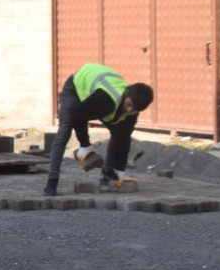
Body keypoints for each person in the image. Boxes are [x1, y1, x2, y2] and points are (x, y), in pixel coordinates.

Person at [43, 63, 154, 196]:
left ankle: (108, 173)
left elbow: (124, 137)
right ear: (126, 93)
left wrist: (120, 170)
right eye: (129, 105)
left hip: (98, 92)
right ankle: (52, 180)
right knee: (64, 132)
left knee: (120, 133)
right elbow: (77, 115)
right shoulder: (106, 100)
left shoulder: (134, 107)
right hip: (75, 88)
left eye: (134, 109)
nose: (129, 110)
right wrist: (85, 145)